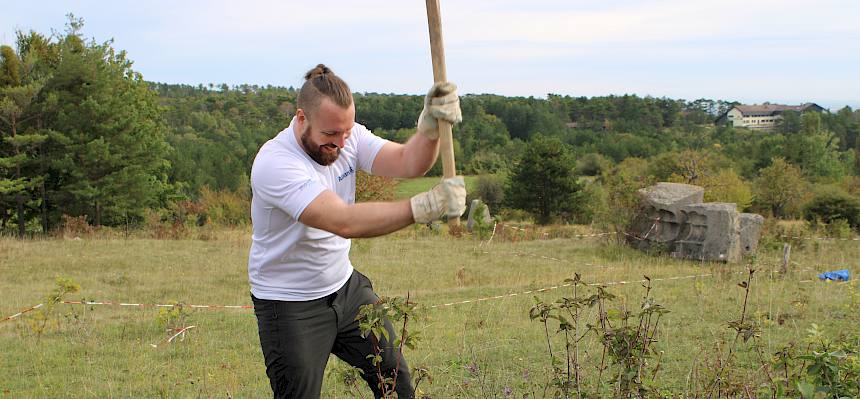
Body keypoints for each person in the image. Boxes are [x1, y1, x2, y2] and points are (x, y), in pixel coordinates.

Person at [248, 64, 466, 399]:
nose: (340, 143)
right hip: (290, 304)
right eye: (330, 135)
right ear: (301, 118)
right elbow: (343, 221)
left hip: (346, 290)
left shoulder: (348, 134)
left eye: (346, 132)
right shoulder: (275, 164)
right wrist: (422, 208)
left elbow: (409, 163)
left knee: (394, 381)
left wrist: (430, 129)